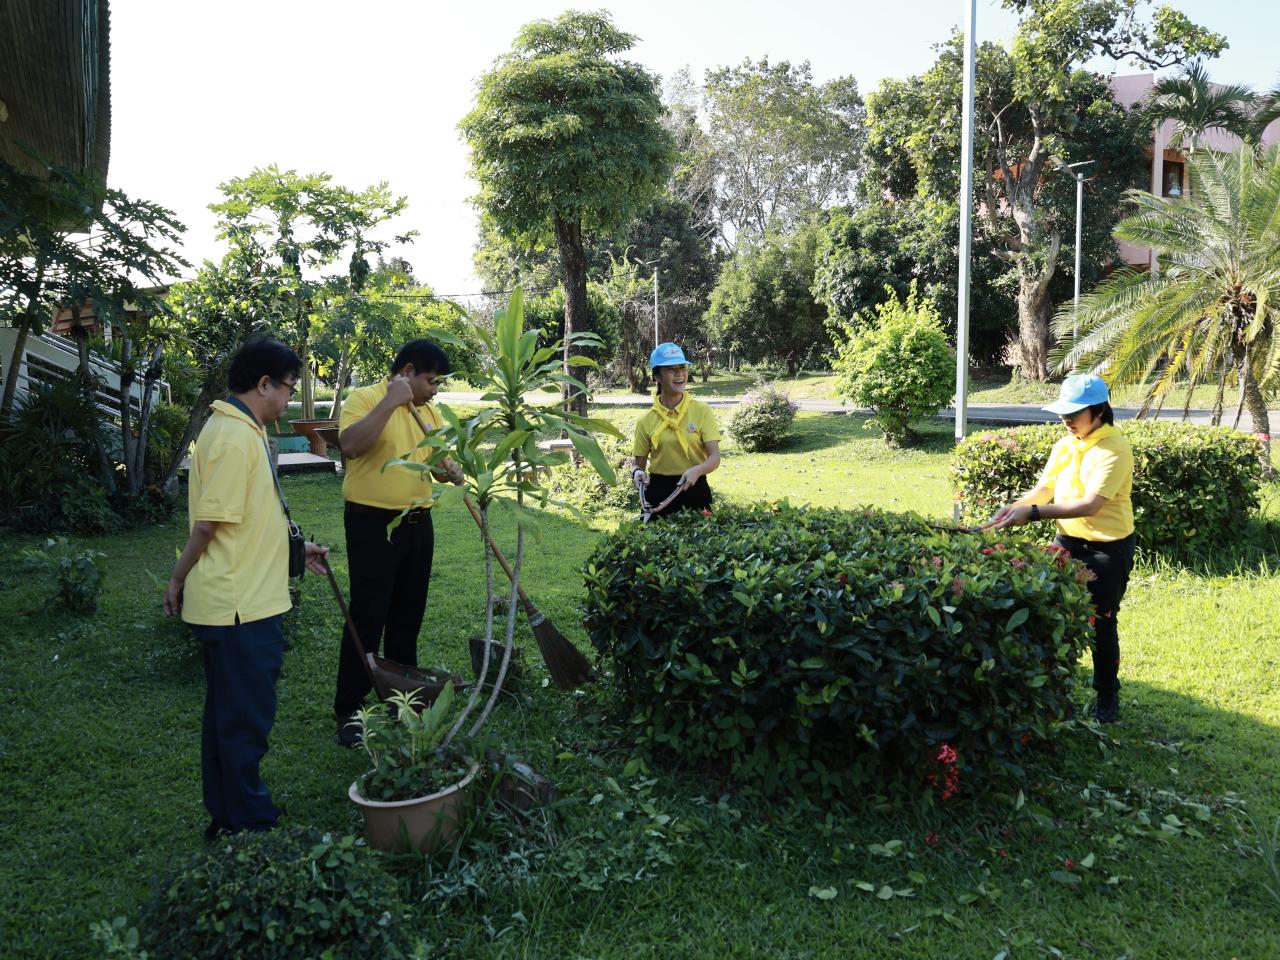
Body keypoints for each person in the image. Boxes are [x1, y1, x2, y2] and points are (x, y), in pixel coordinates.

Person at [164, 336, 330, 838]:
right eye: (287, 388)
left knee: (227, 720)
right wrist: (177, 578)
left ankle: (228, 817)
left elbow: (244, 522)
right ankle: (249, 824)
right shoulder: (235, 438)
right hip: (240, 610)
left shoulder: (239, 429)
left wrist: (295, 553)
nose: (288, 400)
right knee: (243, 725)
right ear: (263, 385)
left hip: (242, 601)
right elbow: (210, 525)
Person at [982, 373, 1135, 723]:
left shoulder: (1114, 448)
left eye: (1075, 413)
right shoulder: (1065, 445)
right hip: (1066, 541)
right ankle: (1055, 690)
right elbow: (1043, 490)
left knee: (1101, 622)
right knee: (1049, 611)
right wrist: (1011, 509)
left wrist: (1032, 514)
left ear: (1098, 411)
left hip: (1107, 550)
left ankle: (1107, 698)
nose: (1067, 420)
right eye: (1063, 413)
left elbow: (1091, 504)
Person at [333, 339, 462, 746]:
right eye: (431, 380)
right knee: (368, 614)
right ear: (407, 372)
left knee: (408, 616)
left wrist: (449, 470)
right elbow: (351, 446)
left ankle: (401, 701)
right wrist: (391, 401)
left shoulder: (430, 412)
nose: (435, 389)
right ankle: (350, 709)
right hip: (371, 522)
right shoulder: (364, 399)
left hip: (418, 522)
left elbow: (436, 466)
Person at [631, 342, 721, 518]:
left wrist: (698, 470)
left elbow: (714, 458)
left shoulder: (701, 411)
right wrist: (637, 473)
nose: (680, 374)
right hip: (658, 494)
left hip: (696, 489)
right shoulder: (645, 421)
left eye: (683, 368)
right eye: (672, 369)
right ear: (657, 376)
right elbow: (638, 465)